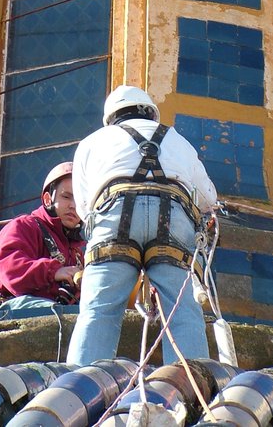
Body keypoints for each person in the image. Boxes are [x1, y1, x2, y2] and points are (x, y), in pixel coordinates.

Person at [66, 86, 217, 366]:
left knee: (99, 310)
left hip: (114, 215)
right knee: (183, 313)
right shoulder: (178, 140)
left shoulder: (92, 141)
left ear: (111, 117)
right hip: (173, 217)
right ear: (151, 113)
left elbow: (84, 208)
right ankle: (188, 382)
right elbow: (208, 198)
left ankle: (78, 382)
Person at [0, 162, 85, 310]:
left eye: (80, 201)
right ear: (48, 199)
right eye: (66, 197)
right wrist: (54, 271)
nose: (73, 205)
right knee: (57, 313)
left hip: (53, 311)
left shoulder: (77, 254)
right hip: (8, 307)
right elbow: (10, 270)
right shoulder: (23, 226)